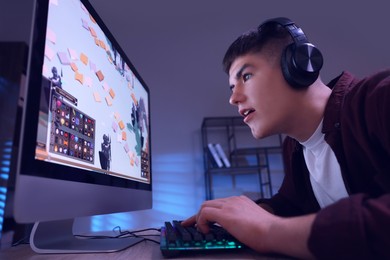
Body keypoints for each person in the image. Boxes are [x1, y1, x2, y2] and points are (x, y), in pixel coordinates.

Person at [182, 17, 390, 259]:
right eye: (231, 87)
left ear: (299, 66)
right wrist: (242, 215)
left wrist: (267, 230)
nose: (233, 98)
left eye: (246, 76)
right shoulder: (294, 147)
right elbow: (290, 203)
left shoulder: (380, 99)